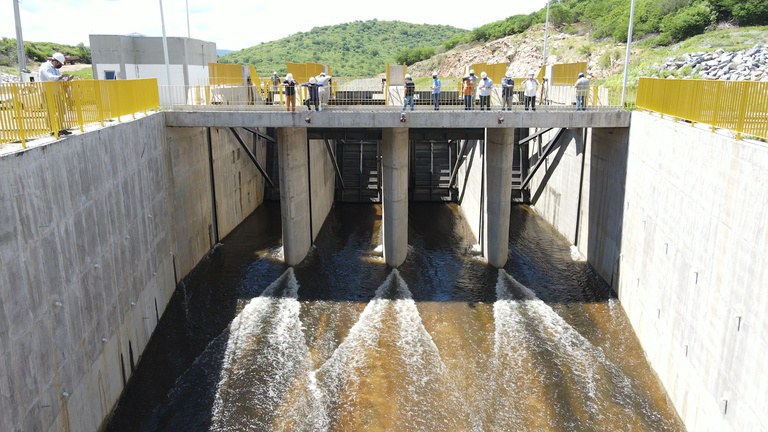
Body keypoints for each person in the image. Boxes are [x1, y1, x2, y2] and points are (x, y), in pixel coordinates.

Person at [39, 52, 73, 136]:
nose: (60, 66)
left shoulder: (55, 69)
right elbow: (50, 78)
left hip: (56, 93)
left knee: (62, 110)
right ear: (55, 61)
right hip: (47, 93)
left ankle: (60, 128)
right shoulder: (45, 67)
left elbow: (59, 79)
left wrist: (66, 79)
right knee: (50, 112)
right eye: (59, 64)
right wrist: (61, 77)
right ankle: (52, 130)